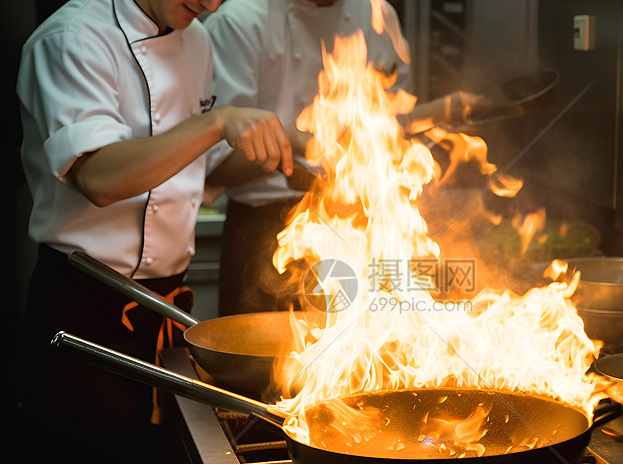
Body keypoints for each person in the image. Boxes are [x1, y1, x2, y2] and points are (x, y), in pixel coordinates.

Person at [15, 0, 295, 464]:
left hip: (164, 319)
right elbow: (98, 175)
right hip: (85, 313)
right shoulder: (71, 38)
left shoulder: (196, 40)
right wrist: (218, 121)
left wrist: (291, 152)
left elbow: (196, 173)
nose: (212, 3)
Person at [204, 0, 479, 316]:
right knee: (257, 358)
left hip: (360, 229)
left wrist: (436, 113)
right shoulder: (238, 21)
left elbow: (389, 132)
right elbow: (213, 166)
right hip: (266, 235)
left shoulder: (378, 14)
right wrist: (292, 143)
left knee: (362, 356)